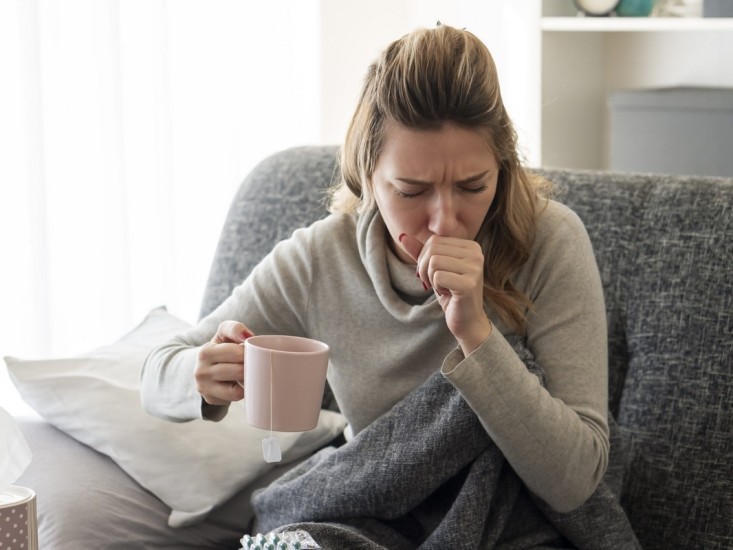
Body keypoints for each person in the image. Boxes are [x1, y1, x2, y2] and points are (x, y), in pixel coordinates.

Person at [141, 23, 609, 521]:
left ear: (504, 167)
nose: (444, 221)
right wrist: (202, 376)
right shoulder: (322, 257)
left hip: (511, 523)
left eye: (474, 186)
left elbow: (575, 480)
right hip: (373, 517)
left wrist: (476, 334)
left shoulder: (549, 240)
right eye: (411, 191)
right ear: (365, 178)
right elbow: (156, 372)